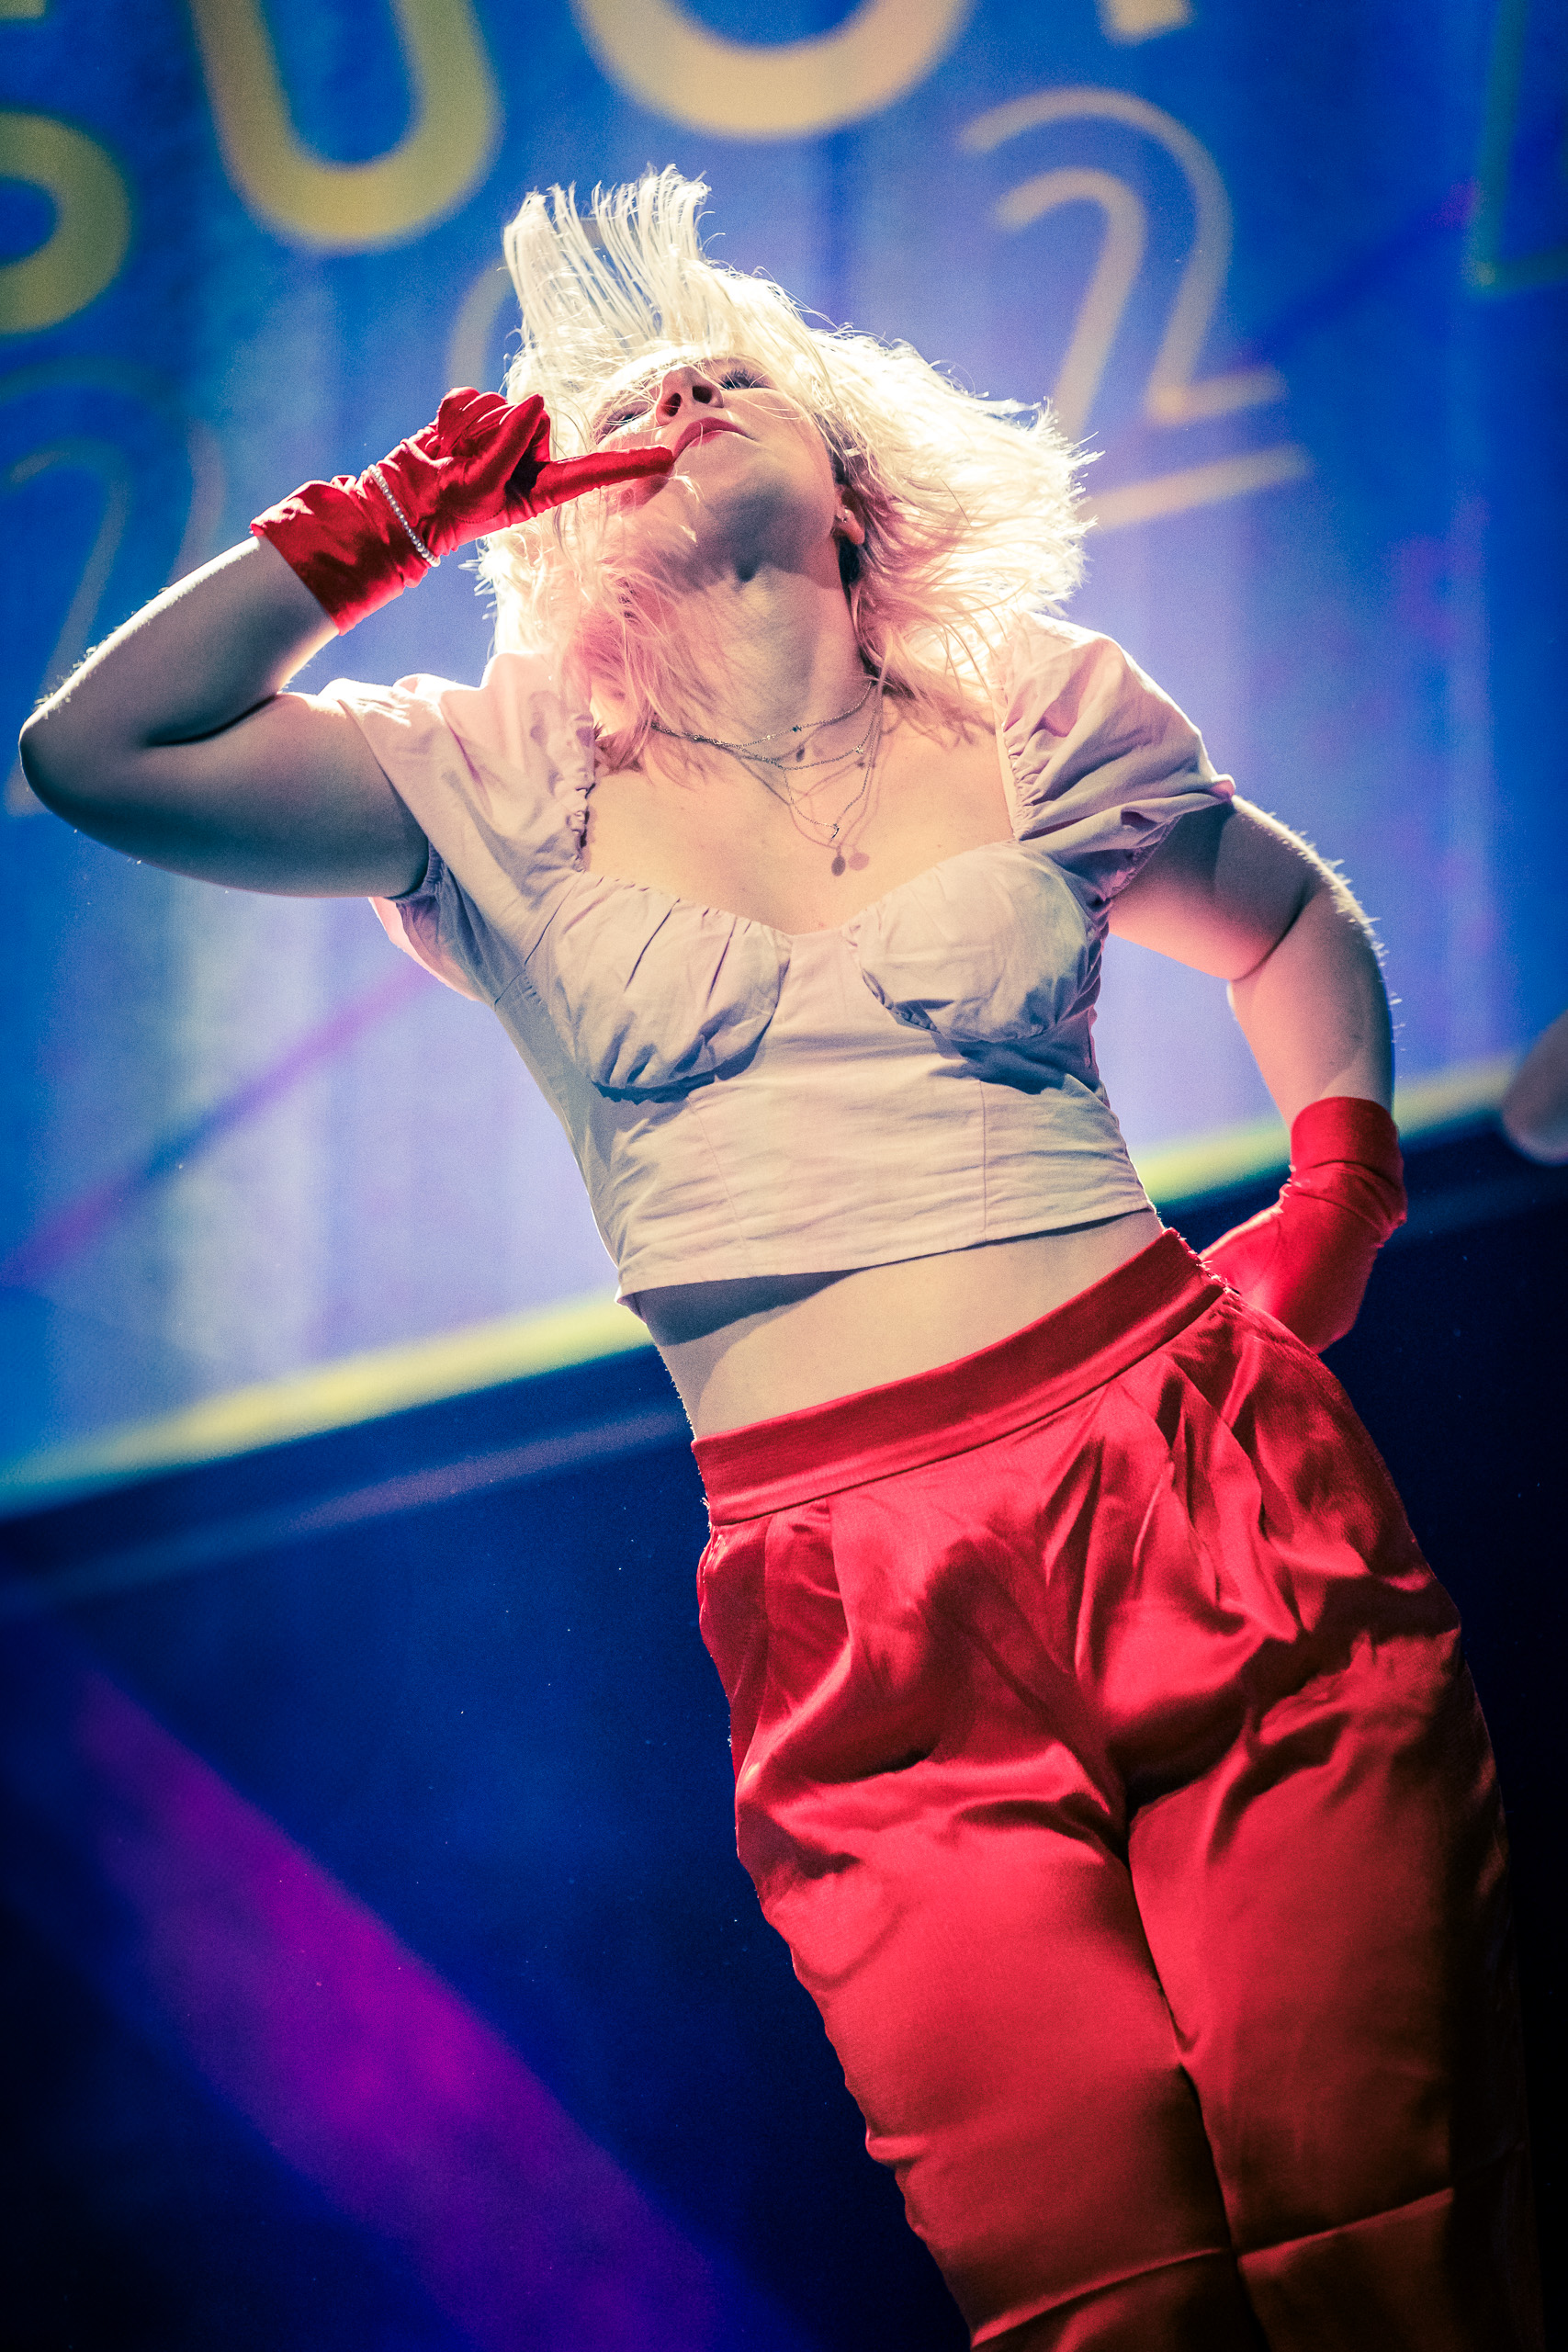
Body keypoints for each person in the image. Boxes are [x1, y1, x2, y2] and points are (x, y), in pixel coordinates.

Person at [20, 170, 1540, 2351]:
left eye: (735, 372)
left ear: (850, 476)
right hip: (852, 1593)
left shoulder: (1030, 714)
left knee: (1384, 2217)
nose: (683, 390)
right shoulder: (485, 784)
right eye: (634, 395)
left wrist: (1336, 1202)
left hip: (1196, 1482)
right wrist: (383, 519)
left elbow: (1287, 918)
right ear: (558, 519)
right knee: (1092, 2289)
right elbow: (93, 754)